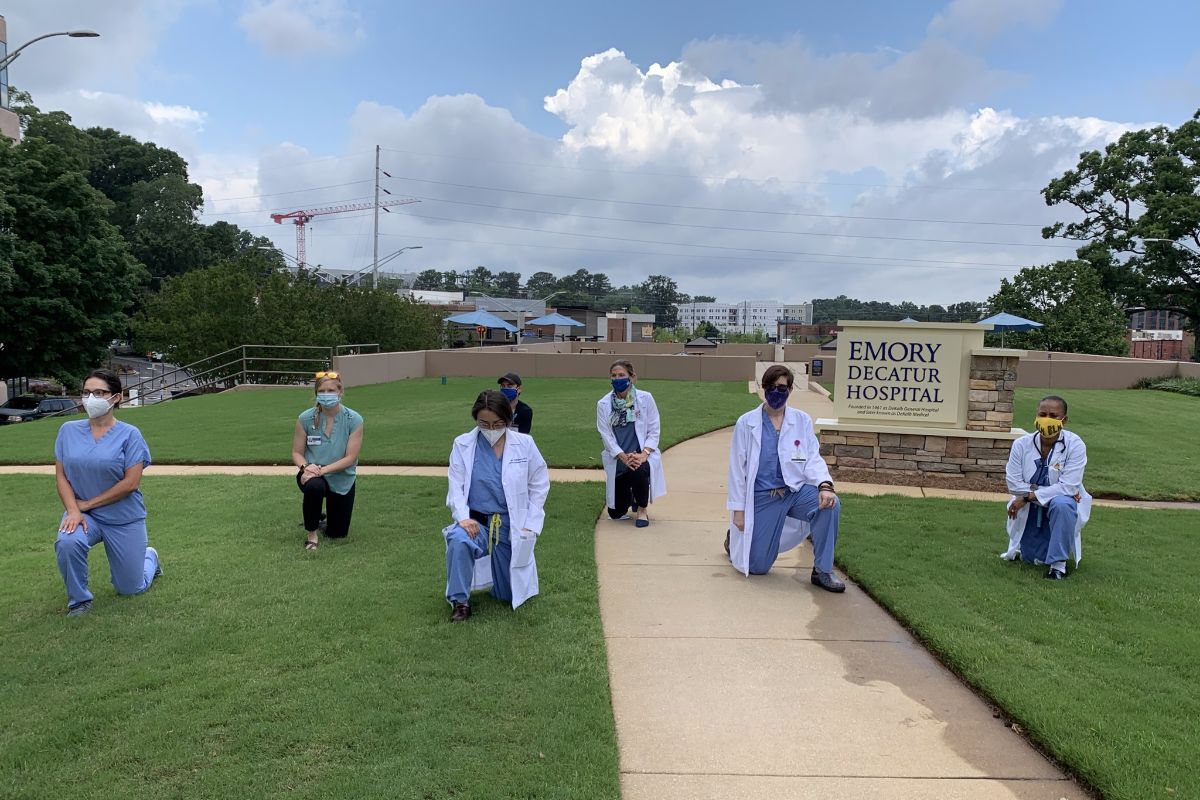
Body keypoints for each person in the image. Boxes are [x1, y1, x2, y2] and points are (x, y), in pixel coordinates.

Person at [726, 364, 845, 593]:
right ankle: (733, 541)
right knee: (757, 567)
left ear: (790, 390)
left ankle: (822, 570)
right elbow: (737, 470)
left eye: (781, 388)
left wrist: (825, 485)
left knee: (831, 504)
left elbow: (812, 457)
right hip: (763, 496)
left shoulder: (801, 421)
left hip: (794, 492)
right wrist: (738, 511)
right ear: (763, 388)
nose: (776, 392)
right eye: (771, 387)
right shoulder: (746, 423)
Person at [54, 369, 160, 616]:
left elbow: (130, 483)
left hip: (123, 517)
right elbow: (61, 476)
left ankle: (150, 558)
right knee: (68, 541)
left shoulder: (130, 435)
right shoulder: (67, 431)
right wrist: (73, 510)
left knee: (130, 589)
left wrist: (87, 503)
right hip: (84, 515)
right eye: (86, 392)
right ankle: (79, 601)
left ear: (117, 397)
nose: (91, 398)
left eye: (99, 393)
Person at [444, 390, 550, 622]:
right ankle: (460, 601)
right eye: (484, 423)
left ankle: (499, 582)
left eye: (497, 423)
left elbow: (539, 483)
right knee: (458, 539)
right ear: (476, 419)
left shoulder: (525, 444)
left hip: (511, 523)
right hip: (477, 521)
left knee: (508, 594)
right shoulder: (463, 444)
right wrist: (462, 517)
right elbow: (456, 486)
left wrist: (531, 523)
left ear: (508, 419)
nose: (491, 429)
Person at [1001, 395, 1091, 580]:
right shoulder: (1021, 444)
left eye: (1053, 415)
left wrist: (1027, 497)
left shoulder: (1075, 445)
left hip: (1050, 504)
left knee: (1063, 504)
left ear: (1064, 420)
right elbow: (1013, 483)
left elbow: (1069, 487)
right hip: (1032, 505)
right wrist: (1050, 492)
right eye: (1042, 414)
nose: (1046, 419)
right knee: (1031, 558)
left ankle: (1058, 566)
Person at [291, 371, 363, 550]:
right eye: (321, 391)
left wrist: (321, 470)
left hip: (341, 477)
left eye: (331, 390)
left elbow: (350, 458)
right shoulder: (305, 418)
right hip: (310, 474)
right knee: (315, 487)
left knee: (338, 533)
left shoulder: (354, 419)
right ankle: (312, 535)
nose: (326, 395)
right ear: (316, 393)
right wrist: (306, 467)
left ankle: (321, 520)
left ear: (340, 392)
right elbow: (297, 453)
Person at [596, 360, 665, 527]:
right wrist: (623, 457)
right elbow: (606, 436)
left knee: (638, 469)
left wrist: (644, 454)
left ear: (632, 377)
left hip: (640, 456)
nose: (617, 379)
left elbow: (654, 429)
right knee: (616, 513)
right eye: (614, 376)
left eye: (622, 375)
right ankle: (631, 495)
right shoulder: (603, 404)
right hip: (619, 459)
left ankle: (642, 509)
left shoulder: (645, 398)